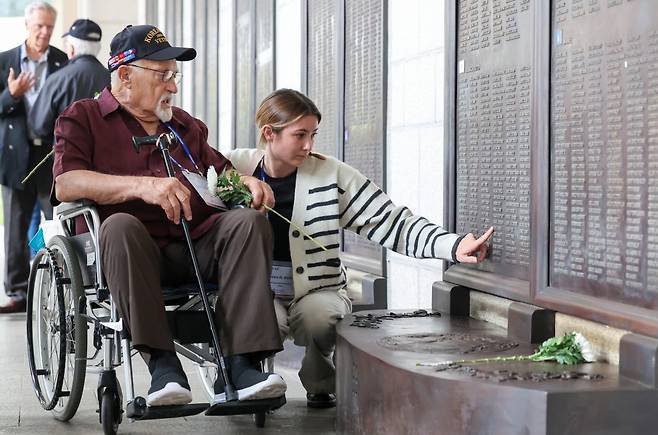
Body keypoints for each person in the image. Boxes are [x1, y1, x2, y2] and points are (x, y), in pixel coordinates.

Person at [52, 24, 286, 407]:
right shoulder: (84, 118)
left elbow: (220, 173)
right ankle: (163, 368)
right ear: (125, 75)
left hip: (195, 246)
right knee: (120, 225)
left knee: (248, 222)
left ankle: (243, 366)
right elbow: (67, 183)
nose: (173, 87)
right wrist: (143, 187)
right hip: (129, 254)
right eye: (164, 76)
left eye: (174, 75)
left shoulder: (184, 126)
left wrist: (247, 183)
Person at [228, 88, 494, 408]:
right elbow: (196, 184)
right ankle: (250, 379)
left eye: (313, 134)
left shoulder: (332, 174)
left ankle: (321, 380)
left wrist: (451, 245)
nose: (309, 145)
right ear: (269, 133)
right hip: (258, 289)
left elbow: (391, 222)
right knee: (258, 319)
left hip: (317, 289)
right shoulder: (232, 166)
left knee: (321, 316)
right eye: (300, 135)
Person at [0, 1, 68, 314]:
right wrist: (11, 94)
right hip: (16, 154)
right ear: (28, 26)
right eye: (39, 26)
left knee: (56, 221)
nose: (44, 32)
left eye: (49, 27)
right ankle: (17, 292)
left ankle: (62, 284)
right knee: (15, 227)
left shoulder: (61, 61)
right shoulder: (5, 61)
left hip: (51, 154)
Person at [29, 18, 110, 140]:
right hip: (105, 154)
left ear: (71, 49)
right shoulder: (114, 79)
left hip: (67, 154)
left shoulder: (58, 79)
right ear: (98, 48)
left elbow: (39, 126)